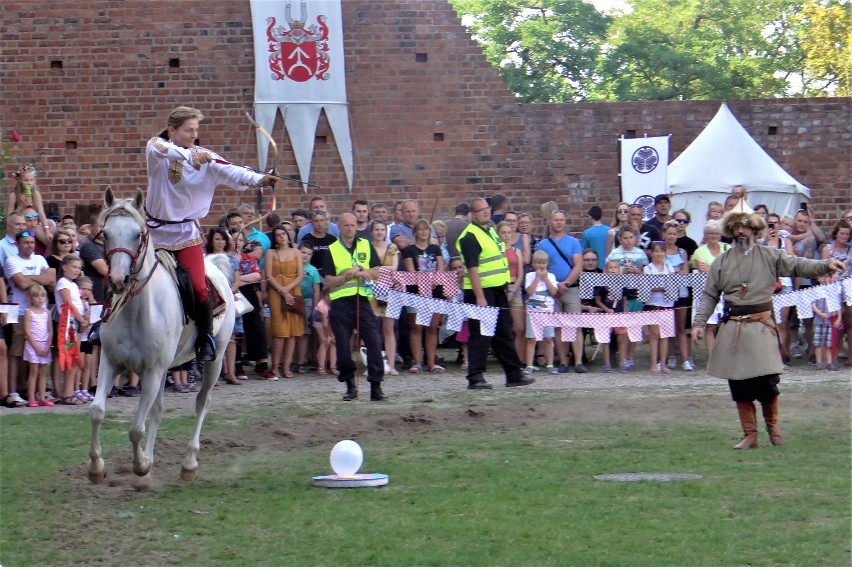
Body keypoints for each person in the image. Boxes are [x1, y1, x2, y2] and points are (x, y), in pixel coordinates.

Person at [691, 210, 845, 449]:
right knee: (739, 384)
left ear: (754, 229)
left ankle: (773, 428)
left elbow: (799, 265)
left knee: (767, 382)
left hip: (761, 327)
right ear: (730, 231)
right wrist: (699, 323)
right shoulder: (722, 261)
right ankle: (750, 435)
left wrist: (826, 264)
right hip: (734, 329)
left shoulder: (770, 255)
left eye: (745, 227)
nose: (740, 231)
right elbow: (710, 294)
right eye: (736, 228)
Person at [145, 106, 275, 361]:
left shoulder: (205, 157)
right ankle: (104, 328)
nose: (193, 135)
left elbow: (234, 172)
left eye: (196, 130)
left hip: (185, 236)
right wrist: (187, 156)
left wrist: (261, 179)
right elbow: (161, 149)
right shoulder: (157, 148)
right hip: (153, 235)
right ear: (172, 130)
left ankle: (205, 336)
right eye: (187, 130)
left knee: (198, 286)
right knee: (124, 276)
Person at [458, 198, 533, 389]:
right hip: (481, 292)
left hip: (498, 290)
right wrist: (480, 297)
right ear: (472, 214)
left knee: (503, 333)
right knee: (481, 334)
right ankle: (475, 376)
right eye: (480, 210)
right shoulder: (470, 236)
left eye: (487, 208)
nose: (485, 212)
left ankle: (513, 373)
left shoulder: (490, 230)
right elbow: (472, 269)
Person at [323, 213, 387, 401]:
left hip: (363, 300)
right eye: (347, 225)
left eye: (353, 225)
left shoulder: (366, 245)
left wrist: (364, 272)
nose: (351, 228)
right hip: (341, 303)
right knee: (343, 347)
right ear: (339, 227)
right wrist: (345, 277)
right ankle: (350, 385)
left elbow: (377, 271)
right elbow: (328, 280)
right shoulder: (332, 249)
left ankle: (376, 386)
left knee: (374, 342)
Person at [5, 230, 56, 400]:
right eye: (26, 242)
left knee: (38, 355)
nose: (30, 245)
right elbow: (21, 283)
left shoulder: (40, 259)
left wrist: (30, 277)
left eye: (32, 242)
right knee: (17, 353)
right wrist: (40, 277)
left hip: (42, 313)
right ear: (18, 244)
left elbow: (52, 280)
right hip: (21, 312)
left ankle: (32, 391)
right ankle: (13, 391)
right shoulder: (12, 260)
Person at [536, 210, 586, 373]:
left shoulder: (573, 242)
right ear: (550, 222)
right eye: (556, 220)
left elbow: (578, 265)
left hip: (571, 289)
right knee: (557, 327)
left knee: (575, 325)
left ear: (565, 222)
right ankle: (563, 361)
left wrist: (566, 282)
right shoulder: (543, 244)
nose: (559, 222)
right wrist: (554, 285)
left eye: (561, 220)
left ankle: (578, 361)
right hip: (552, 290)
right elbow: (540, 266)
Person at [402, 218, 445, 374]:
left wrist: (434, 280)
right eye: (420, 229)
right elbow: (411, 271)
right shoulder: (409, 250)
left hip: (435, 292)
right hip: (416, 293)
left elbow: (441, 268)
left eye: (426, 229)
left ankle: (431, 362)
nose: (423, 232)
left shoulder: (436, 248)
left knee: (433, 328)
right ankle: (417, 362)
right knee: (416, 327)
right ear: (415, 232)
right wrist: (423, 280)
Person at [605, 225, 648, 371]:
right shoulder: (614, 254)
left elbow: (646, 274)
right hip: (620, 295)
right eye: (625, 238)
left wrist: (635, 271)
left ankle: (630, 356)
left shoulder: (640, 254)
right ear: (620, 239)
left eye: (631, 237)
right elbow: (608, 275)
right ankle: (620, 356)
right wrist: (622, 271)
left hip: (636, 293)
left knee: (635, 327)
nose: (629, 240)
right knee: (623, 329)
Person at [264, 225, 304, 380]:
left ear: (288, 235)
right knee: (280, 331)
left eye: (284, 234)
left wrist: (288, 289)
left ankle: (287, 367)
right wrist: (282, 291)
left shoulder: (297, 252)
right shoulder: (270, 253)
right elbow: (268, 275)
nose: (282, 237)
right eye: (278, 235)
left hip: (293, 290)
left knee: (293, 331)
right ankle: (274, 367)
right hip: (276, 291)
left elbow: (300, 274)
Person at [204, 227, 242, 385]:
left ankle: (231, 372)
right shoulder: (205, 259)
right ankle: (216, 372)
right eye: (217, 239)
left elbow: (237, 280)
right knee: (212, 336)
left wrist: (229, 292)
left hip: (230, 299)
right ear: (212, 241)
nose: (220, 242)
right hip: (212, 301)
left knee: (231, 339)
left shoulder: (232, 259)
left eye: (223, 239)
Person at [691, 220, 729, 356]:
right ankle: (712, 357)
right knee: (710, 326)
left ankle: (725, 355)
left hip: (726, 291)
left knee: (725, 325)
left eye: (716, 233)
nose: (714, 236)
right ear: (705, 235)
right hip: (709, 292)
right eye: (710, 233)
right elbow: (697, 270)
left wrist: (711, 269)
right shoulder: (699, 252)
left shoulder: (727, 249)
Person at [55, 254, 88, 404]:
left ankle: (70, 391)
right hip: (69, 324)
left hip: (76, 323)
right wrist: (82, 320)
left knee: (75, 359)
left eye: (79, 268)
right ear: (64, 267)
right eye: (74, 267)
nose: (77, 270)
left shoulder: (74, 284)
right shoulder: (63, 283)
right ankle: (67, 394)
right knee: (70, 357)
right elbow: (68, 304)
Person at [370, 221, 400, 375]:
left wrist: (377, 269)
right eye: (377, 229)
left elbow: (394, 268)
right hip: (371, 291)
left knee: (388, 328)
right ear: (372, 231)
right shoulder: (367, 247)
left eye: (382, 229)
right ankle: (373, 364)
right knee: (372, 329)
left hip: (389, 291)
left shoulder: (392, 248)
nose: (379, 232)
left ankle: (391, 365)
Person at [662, 220, 693, 371]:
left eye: (674, 234)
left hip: (682, 292)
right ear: (664, 235)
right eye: (669, 234)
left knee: (681, 326)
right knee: (669, 326)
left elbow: (685, 270)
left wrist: (679, 272)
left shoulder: (682, 252)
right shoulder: (660, 251)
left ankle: (685, 359)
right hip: (666, 293)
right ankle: (672, 356)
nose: (672, 236)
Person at [820, 218, 851, 366]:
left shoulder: (850, 250)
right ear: (836, 233)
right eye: (842, 233)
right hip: (831, 288)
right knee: (833, 322)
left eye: (847, 234)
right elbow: (821, 269)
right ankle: (833, 354)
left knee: (847, 320)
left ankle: (846, 353)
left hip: (847, 288)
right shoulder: (828, 249)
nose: (844, 237)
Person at [523, 250, 558, 375]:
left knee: (548, 338)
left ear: (547, 264)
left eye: (543, 263)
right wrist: (538, 278)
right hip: (533, 313)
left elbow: (554, 292)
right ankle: (529, 365)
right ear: (533, 264)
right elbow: (529, 291)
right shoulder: (529, 276)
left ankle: (550, 364)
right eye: (538, 263)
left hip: (548, 313)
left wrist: (546, 279)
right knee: (531, 339)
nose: (541, 266)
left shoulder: (552, 276)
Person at [497, 220, 525, 360]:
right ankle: (506, 358)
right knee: (504, 327)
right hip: (501, 287)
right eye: (503, 233)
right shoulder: (497, 251)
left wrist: (513, 290)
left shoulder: (516, 251)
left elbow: (520, 274)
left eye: (509, 232)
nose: (506, 235)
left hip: (515, 286)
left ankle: (519, 359)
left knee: (519, 328)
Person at [643, 242, 673, 374]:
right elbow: (650, 286)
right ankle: (653, 364)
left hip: (668, 304)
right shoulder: (648, 268)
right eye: (656, 251)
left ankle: (663, 364)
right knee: (654, 335)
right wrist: (664, 286)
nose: (659, 254)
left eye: (661, 251)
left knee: (665, 335)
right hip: (653, 304)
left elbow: (673, 284)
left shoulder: (669, 267)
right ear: (652, 253)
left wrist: (662, 286)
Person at [23, 285, 53, 407]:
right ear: (31, 298)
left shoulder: (47, 313)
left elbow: (50, 330)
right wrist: (36, 347)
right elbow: (27, 331)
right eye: (36, 296)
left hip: (45, 345)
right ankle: (31, 398)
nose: (40, 299)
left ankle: (42, 397)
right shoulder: (28, 312)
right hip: (33, 345)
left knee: (43, 372)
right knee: (34, 371)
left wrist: (47, 347)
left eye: (42, 296)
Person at [595, 260, 627, 373]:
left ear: (619, 270)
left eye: (615, 268)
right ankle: (607, 364)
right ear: (606, 270)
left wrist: (624, 313)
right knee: (605, 340)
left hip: (619, 316)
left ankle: (623, 362)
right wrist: (606, 309)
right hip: (606, 316)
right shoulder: (603, 286)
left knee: (621, 339)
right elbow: (597, 300)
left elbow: (624, 300)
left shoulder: (622, 285)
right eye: (610, 268)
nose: (613, 269)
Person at [296, 241, 321, 374]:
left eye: (309, 254)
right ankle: (295, 360)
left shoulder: (313, 270)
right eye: (303, 252)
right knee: (295, 332)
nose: (305, 256)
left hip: (307, 301)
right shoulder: (293, 266)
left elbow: (316, 290)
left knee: (305, 332)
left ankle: (304, 361)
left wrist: (315, 306)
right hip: (293, 300)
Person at [811, 274, 840, 371]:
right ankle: (819, 362)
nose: (824, 278)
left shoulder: (832, 290)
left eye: (827, 276)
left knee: (828, 343)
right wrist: (820, 313)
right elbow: (813, 304)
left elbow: (837, 305)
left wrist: (839, 318)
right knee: (818, 343)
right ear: (817, 278)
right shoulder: (816, 290)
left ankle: (829, 362)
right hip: (819, 321)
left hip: (829, 321)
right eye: (822, 276)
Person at [7, 165, 49, 229]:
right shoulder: (14, 195)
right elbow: (9, 217)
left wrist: (47, 229)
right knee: (28, 211)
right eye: (26, 180)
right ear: (20, 180)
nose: (29, 183)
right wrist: (22, 206)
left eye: (31, 180)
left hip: (34, 226)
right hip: (19, 227)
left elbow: (41, 214)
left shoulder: (36, 194)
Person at [581, 205, 610, 270]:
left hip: (594, 267)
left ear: (590, 217)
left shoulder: (586, 233)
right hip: (609, 267)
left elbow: (584, 251)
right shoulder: (610, 230)